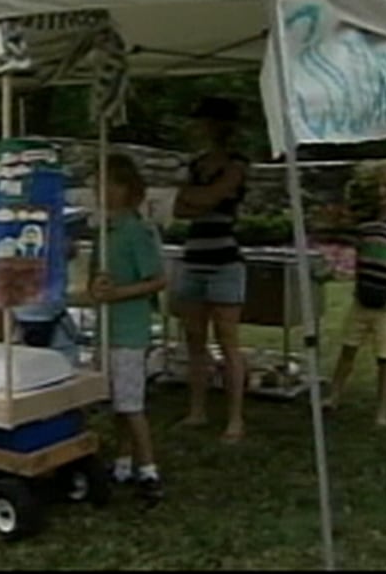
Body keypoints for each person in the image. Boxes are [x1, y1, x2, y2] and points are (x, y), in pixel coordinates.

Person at [171, 97, 251, 443]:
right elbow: (179, 209)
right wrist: (200, 198)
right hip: (194, 258)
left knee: (228, 340)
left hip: (225, 262)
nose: (199, 127)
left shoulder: (237, 163)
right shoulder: (195, 164)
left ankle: (235, 419)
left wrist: (198, 197)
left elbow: (206, 199)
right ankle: (197, 410)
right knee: (193, 339)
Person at [88, 154, 166, 502]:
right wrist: (96, 289)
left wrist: (119, 293)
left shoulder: (135, 231)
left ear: (123, 189)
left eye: (104, 184)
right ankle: (122, 461)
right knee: (117, 400)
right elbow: (95, 281)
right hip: (107, 327)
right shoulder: (105, 231)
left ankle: (148, 469)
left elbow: (157, 280)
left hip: (128, 331)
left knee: (131, 403)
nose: (97, 190)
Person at [323, 165, 386, 427]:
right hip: (363, 299)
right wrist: (357, 283)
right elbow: (360, 258)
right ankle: (333, 395)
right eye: (380, 186)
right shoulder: (366, 226)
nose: (382, 192)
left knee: (385, 358)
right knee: (348, 348)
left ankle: (382, 411)